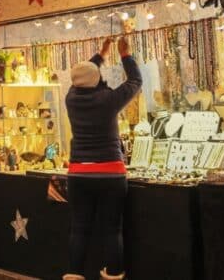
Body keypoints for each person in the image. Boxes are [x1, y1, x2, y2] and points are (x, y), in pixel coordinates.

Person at [62, 37, 142, 280]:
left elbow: (82, 76)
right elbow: (136, 81)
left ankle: (75, 274)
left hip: (78, 174)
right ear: (97, 78)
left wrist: (101, 55)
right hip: (110, 174)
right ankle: (114, 275)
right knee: (111, 230)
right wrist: (125, 55)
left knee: (79, 229)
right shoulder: (108, 100)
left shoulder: (71, 99)